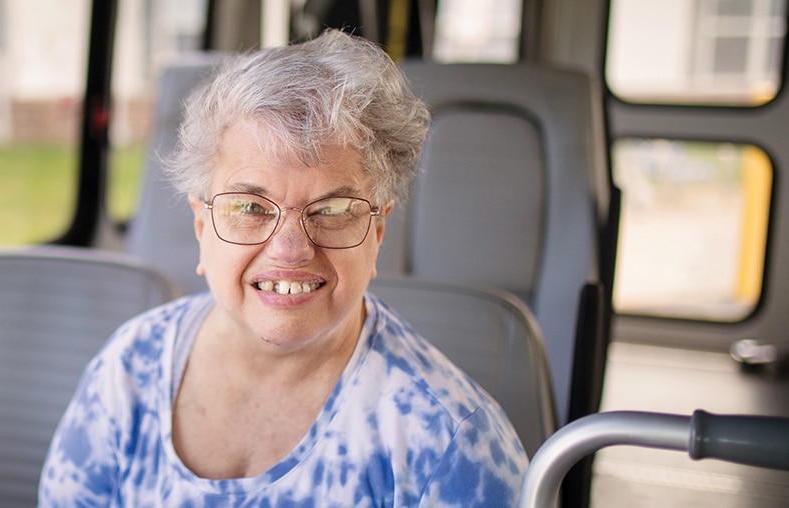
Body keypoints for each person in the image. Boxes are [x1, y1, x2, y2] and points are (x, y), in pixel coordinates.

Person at [39, 30, 528, 506]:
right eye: (251, 208)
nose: (290, 250)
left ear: (378, 231)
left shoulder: (450, 443)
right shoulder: (128, 370)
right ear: (200, 223)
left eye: (332, 211)